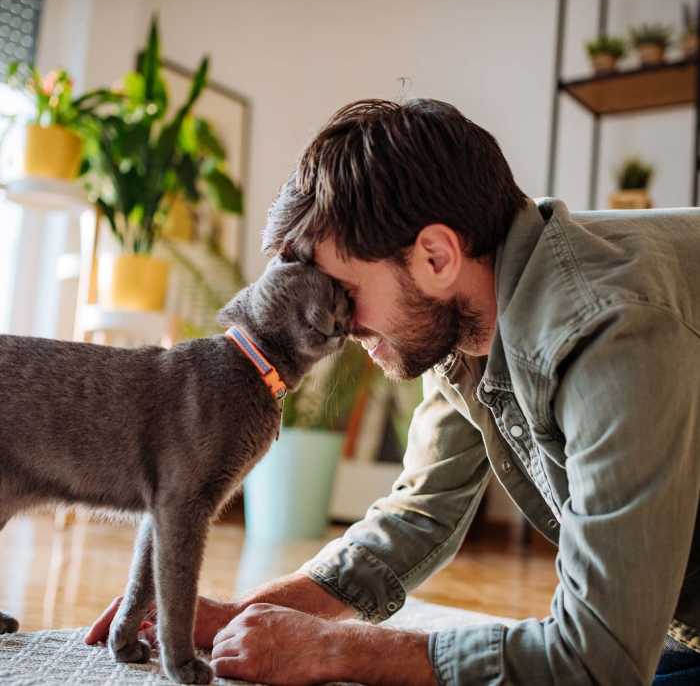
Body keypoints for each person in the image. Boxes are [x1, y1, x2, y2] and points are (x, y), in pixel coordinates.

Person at [86, 99, 700, 685]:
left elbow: (596, 662)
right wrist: (241, 612)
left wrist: (334, 649)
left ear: (435, 255)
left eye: (344, 292)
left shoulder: (609, 328)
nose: (340, 324)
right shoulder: (466, 311)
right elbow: (422, 511)